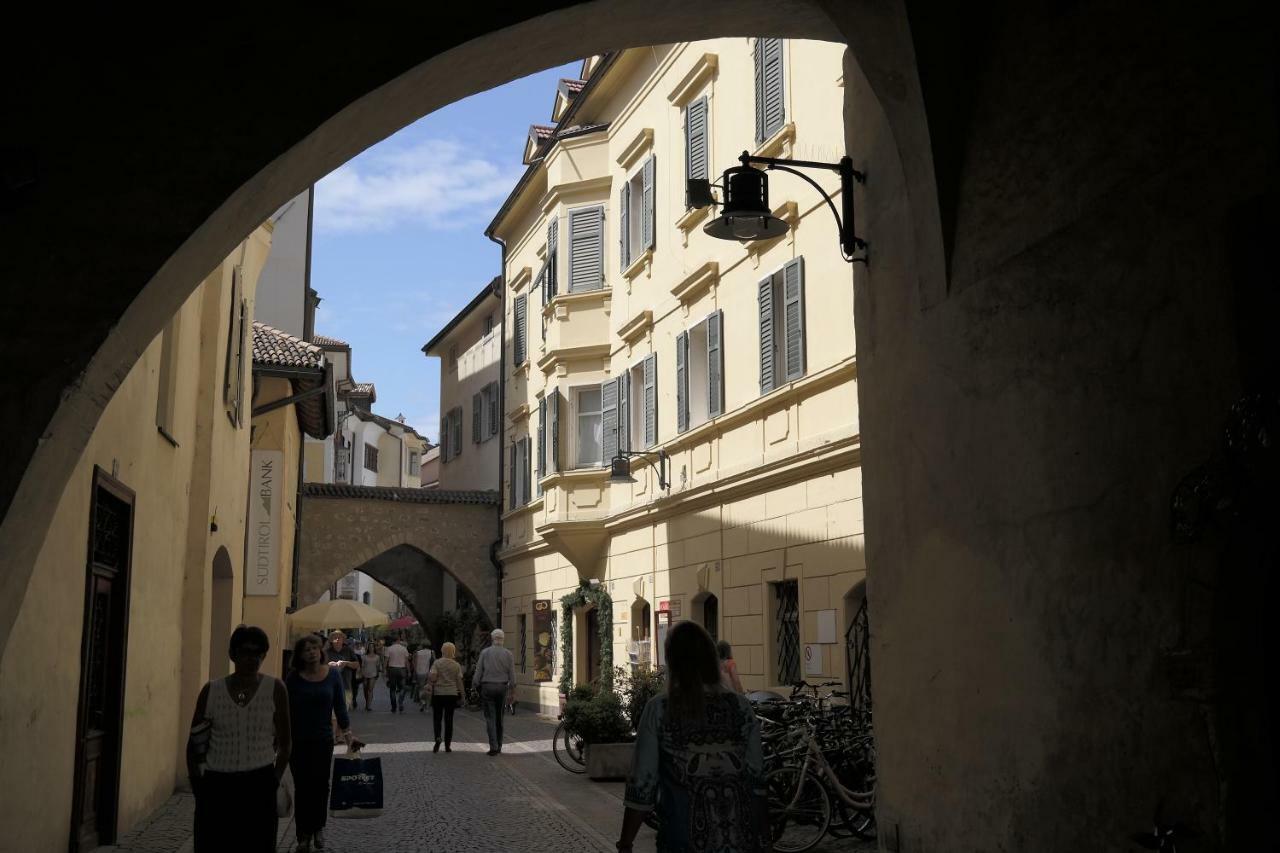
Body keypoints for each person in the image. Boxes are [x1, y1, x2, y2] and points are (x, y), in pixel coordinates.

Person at [616, 621, 771, 853]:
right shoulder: (740, 707)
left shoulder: (660, 709)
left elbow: (642, 784)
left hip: (683, 839)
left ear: (672, 661)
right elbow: (757, 780)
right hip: (740, 838)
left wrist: (626, 843)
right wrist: (764, 840)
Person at [187, 625, 291, 853]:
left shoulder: (275, 689)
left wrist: (274, 780)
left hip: (259, 783)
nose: (251, 658)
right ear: (232, 654)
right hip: (217, 785)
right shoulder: (211, 691)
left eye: (258, 653)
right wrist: (199, 787)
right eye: (245, 652)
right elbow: (195, 743)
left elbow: (285, 742)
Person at [286, 633, 354, 853]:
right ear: (300, 655)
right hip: (298, 741)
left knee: (320, 786)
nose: (312, 652)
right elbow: (285, 711)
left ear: (320, 651)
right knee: (303, 787)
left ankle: (318, 829)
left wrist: (348, 736)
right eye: (307, 649)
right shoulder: (293, 678)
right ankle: (303, 834)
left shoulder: (333, 675)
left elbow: (340, 707)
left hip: (323, 740)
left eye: (315, 648)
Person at [471, 628, 515, 755]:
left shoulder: (485, 652)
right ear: (503, 639)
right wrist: (513, 691)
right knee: (499, 718)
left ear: (492, 639)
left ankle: (493, 746)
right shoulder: (508, 654)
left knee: (490, 717)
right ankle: (499, 745)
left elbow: (478, 671)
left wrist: (475, 684)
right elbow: (512, 674)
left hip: (488, 687)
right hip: (502, 688)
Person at [427, 641, 464, 752]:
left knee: (437, 718)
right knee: (449, 720)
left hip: (438, 694)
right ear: (453, 651)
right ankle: (448, 745)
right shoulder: (456, 665)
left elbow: (433, 677)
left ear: (442, 650)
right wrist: (463, 695)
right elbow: (459, 681)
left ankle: (438, 737)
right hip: (451, 694)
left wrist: (431, 679)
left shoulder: (437, 663)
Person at [324, 630, 358, 712]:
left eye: (340, 638)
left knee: (342, 713)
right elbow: (319, 667)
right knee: (331, 713)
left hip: (346, 686)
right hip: (330, 686)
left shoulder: (348, 650)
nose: (337, 639)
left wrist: (346, 663)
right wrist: (329, 665)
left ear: (343, 640)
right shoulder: (326, 652)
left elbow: (356, 664)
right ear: (331, 640)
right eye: (335, 638)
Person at [384, 635, 410, 713]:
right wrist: (409, 671)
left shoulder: (389, 649)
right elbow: (407, 661)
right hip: (402, 669)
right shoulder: (404, 649)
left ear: (392, 641)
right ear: (398, 640)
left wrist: (384, 670)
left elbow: (386, 660)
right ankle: (400, 701)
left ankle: (394, 707)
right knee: (402, 687)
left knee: (392, 689)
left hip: (392, 669)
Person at [356, 638, 382, 712]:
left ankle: (368, 705)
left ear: (374, 648)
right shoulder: (364, 656)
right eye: (370, 647)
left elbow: (378, 666)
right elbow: (362, 666)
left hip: (373, 674)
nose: (371, 648)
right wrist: (360, 673)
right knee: (365, 689)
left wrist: (377, 673)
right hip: (365, 674)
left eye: (372, 647)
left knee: (370, 689)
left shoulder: (377, 657)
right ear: (368, 648)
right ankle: (367, 702)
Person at [413, 642, 436, 711]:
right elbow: (434, 662)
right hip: (430, 673)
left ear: (422, 646)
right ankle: (427, 705)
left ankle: (423, 702)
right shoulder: (432, 652)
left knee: (421, 688)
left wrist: (415, 672)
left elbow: (415, 663)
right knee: (429, 689)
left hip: (420, 672)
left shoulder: (418, 652)